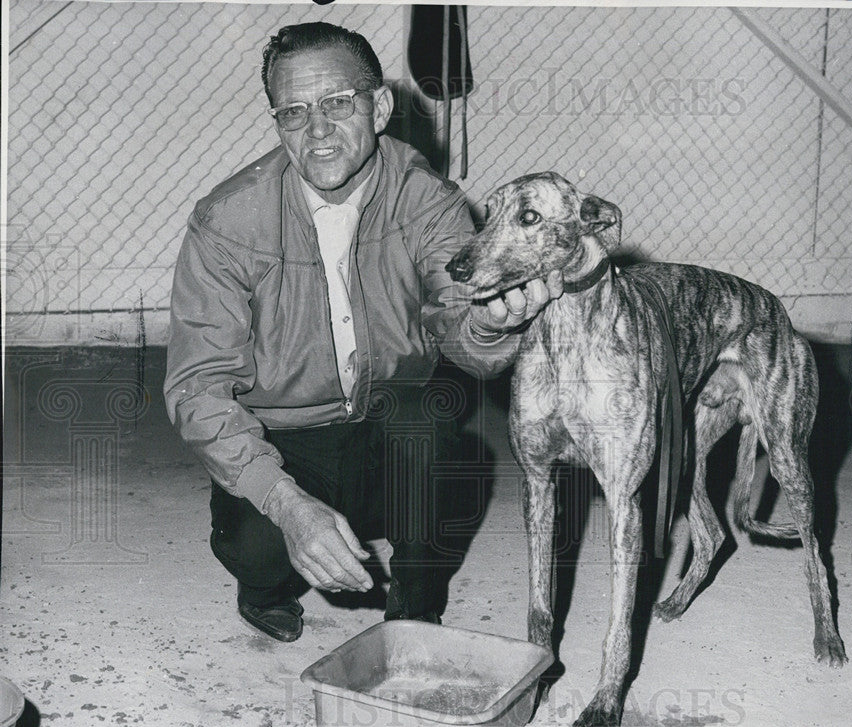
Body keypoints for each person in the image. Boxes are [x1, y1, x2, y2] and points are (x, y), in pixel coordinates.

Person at [164, 22, 561, 642]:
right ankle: (265, 586)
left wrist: (487, 322)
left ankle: (415, 609)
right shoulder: (227, 221)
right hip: (285, 434)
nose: (316, 130)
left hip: (387, 424)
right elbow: (197, 388)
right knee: (258, 545)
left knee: (433, 428)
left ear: (378, 108)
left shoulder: (427, 200)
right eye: (292, 112)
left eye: (337, 104)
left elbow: (459, 319)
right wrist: (287, 505)